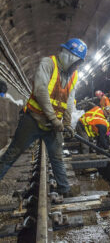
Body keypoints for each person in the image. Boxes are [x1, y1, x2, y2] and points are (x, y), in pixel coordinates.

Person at [0, 38, 87, 197]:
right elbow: (41, 91)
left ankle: (64, 190)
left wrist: (67, 123)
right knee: (12, 154)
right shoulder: (48, 63)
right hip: (32, 120)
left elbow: (69, 101)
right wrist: (55, 120)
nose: (77, 66)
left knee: (57, 156)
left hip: (51, 126)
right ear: (68, 55)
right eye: (76, 61)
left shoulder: (73, 76)